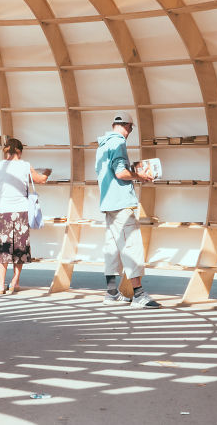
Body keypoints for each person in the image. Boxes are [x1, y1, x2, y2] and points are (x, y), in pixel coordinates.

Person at [95, 112, 160, 308]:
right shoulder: (119, 143)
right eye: (131, 128)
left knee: (112, 248)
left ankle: (112, 292)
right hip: (122, 202)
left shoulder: (102, 145)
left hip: (107, 202)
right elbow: (120, 172)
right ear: (127, 126)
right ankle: (139, 294)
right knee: (131, 247)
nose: (131, 131)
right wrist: (141, 176)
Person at [0, 138, 50, 294]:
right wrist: (48, 171)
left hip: (2, 211)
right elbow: (41, 180)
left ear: (6, 151)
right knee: (19, 248)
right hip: (21, 212)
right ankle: (14, 281)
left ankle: (1, 285)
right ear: (20, 151)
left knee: (3, 248)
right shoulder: (25, 166)